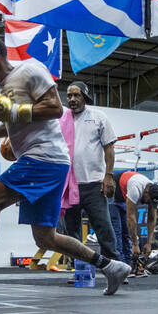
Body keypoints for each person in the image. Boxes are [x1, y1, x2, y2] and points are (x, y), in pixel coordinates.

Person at [0, 36, 131, 299]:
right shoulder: (4, 88)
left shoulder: (28, 70)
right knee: (46, 238)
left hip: (43, 158)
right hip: (51, 162)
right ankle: (111, 266)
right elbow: (14, 120)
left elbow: (55, 108)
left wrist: (14, 113)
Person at [61, 81, 120, 260]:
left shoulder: (98, 117)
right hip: (70, 185)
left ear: (85, 97)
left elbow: (109, 149)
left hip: (93, 184)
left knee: (103, 227)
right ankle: (79, 269)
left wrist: (108, 177)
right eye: (69, 95)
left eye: (76, 95)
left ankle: (114, 266)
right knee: (72, 230)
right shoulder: (62, 119)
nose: (72, 99)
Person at [117, 170, 158, 270]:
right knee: (117, 230)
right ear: (146, 191)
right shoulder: (136, 189)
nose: (148, 203)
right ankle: (119, 266)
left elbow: (152, 219)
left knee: (126, 234)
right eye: (149, 200)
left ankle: (128, 266)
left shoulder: (154, 192)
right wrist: (135, 244)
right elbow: (131, 217)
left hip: (127, 185)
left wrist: (148, 243)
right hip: (116, 186)